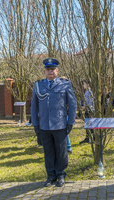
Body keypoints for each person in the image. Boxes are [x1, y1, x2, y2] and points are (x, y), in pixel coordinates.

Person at [31, 58, 77, 187]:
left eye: (52, 69)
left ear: (57, 70)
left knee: (61, 152)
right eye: (47, 69)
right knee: (48, 152)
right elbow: (34, 107)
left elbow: (73, 104)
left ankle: (61, 175)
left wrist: (71, 122)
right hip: (44, 125)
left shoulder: (65, 84)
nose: (50, 72)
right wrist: (35, 125)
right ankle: (51, 176)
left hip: (60, 124)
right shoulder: (38, 85)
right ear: (44, 71)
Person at [79, 80, 94, 144]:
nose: (83, 85)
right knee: (88, 124)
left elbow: (90, 102)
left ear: (88, 84)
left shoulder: (89, 92)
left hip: (89, 110)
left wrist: (85, 107)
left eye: (84, 84)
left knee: (90, 124)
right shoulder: (87, 91)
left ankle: (92, 138)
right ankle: (88, 138)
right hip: (87, 110)